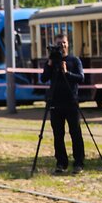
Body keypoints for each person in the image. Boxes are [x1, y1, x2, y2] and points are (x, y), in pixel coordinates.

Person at [40, 33, 85, 174]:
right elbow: (43, 78)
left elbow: (81, 78)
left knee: (75, 133)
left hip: (71, 102)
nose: (62, 45)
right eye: (59, 43)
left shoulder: (74, 60)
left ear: (68, 44)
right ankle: (61, 163)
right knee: (58, 135)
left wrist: (67, 73)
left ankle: (79, 162)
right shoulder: (51, 62)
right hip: (55, 103)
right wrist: (50, 63)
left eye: (64, 42)